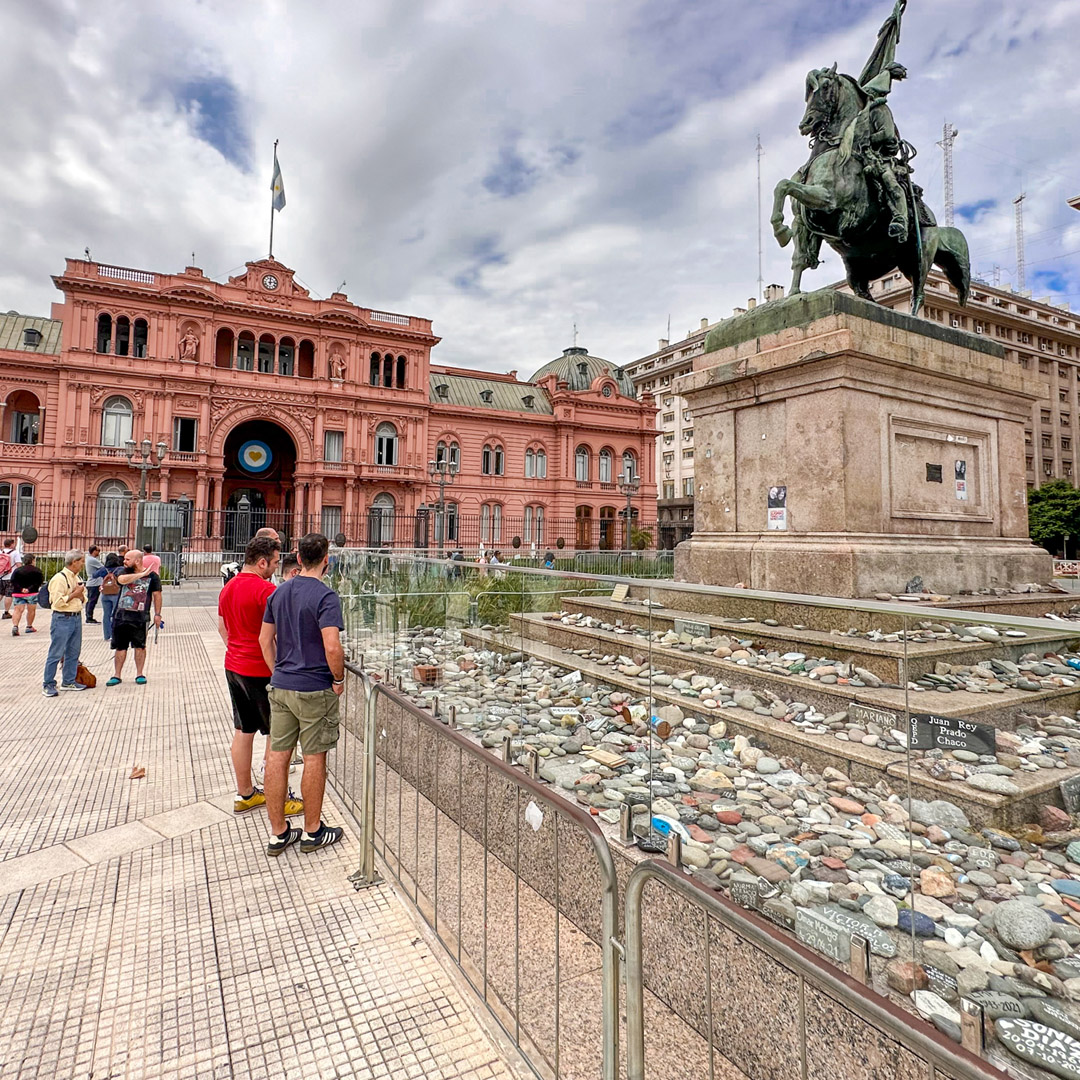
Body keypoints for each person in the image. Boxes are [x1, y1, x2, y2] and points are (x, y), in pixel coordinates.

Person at [259, 533, 345, 856]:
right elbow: (332, 646)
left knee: (277, 757)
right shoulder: (326, 597)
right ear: (326, 558)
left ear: (297, 556)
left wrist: (277, 671)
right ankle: (312, 831)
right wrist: (337, 678)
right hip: (314, 688)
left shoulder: (279, 593)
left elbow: (264, 640)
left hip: (281, 685)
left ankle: (279, 833)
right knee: (314, 758)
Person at [218, 535, 304, 819]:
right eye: (275, 563)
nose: (276, 568)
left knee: (243, 731)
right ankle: (278, 797)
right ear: (263, 562)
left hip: (234, 666)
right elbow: (283, 631)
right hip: (262, 671)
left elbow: (223, 629)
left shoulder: (227, 587)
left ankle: (245, 794)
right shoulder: (266, 590)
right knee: (276, 737)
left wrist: (238, 650)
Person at [106, 548, 163, 686]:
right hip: (121, 616)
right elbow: (121, 580)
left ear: (137, 560)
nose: (124, 561)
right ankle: (117, 674)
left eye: (127, 559)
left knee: (140, 646)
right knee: (120, 647)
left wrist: (157, 614)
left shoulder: (153, 577)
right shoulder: (123, 571)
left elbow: (157, 595)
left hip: (140, 617)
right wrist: (141, 574)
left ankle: (139, 673)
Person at [43, 549, 88, 698]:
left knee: (73, 651)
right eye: (81, 561)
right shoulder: (59, 579)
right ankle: (48, 683)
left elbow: (84, 597)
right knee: (56, 652)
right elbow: (57, 602)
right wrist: (74, 594)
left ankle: (68, 680)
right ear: (74, 562)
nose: (83, 564)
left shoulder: (77, 577)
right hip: (62, 618)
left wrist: (80, 595)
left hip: (76, 617)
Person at [10, 553, 44, 636]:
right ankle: (29, 626)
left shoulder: (17, 570)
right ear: (32, 560)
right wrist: (29, 589)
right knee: (31, 610)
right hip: (32, 593)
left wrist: (21, 588)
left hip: (18, 593)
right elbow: (39, 582)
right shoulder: (37, 571)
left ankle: (15, 626)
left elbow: (13, 580)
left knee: (17, 610)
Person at [93, 552, 122, 640]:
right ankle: (115, 635)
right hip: (116, 594)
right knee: (115, 614)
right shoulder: (120, 569)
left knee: (106, 615)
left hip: (105, 594)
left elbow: (94, 575)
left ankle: (106, 635)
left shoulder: (104, 569)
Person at [1, 535, 22, 619]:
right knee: (8, 595)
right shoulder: (15, 553)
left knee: (0, 593)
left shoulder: (1, 552)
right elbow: (18, 564)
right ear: (11, 544)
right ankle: (6, 612)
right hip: (10, 576)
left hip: (1, 576)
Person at [84, 545, 103, 624]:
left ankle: (89, 616)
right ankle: (89, 617)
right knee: (92, 601)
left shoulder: (89, 559)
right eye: (98, 550)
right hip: (94, 583)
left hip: (92, 582)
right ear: (94, 551)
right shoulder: (92, 560)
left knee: (91, 600)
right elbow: (103, 567)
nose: (99, 552)